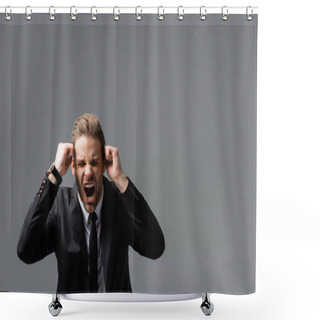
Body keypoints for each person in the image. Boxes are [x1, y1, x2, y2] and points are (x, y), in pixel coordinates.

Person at [17, 113, 165, 293]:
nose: (88, 172)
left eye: (94, 163)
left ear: (104, 165)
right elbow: (25, 251)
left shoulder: (120, 201)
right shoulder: (60, 206)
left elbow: (155, 247)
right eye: (81, 164)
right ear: (72, 167)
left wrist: (120, 178)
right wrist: (54, 175)